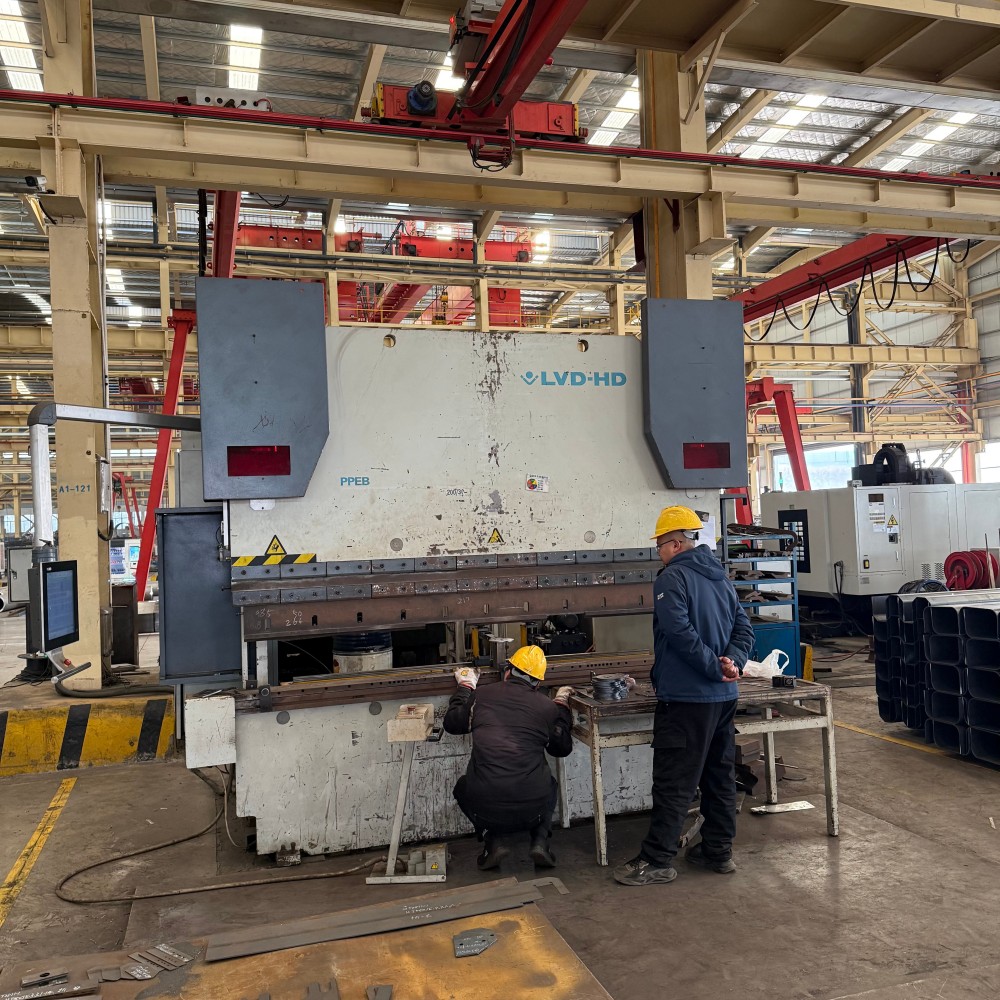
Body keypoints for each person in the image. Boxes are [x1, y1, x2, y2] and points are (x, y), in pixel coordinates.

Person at [614, 505, 755, 887]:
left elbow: (679, 633)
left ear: (675, 544)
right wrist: (733, 666)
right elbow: (744, 628)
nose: (657, 553)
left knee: (674, 781)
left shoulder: (671, 578)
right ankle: (717, 852)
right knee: (718, 777)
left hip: (687, 700)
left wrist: (713, 667)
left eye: (659, 546)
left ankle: (657, 860)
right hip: (724, 699)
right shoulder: (720, 577)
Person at [444, 644, 575, 870]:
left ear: (507, 671)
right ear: (538, 682)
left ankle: (493, 841)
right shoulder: (546, 707)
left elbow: (453, 724)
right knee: (549, 783)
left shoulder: (481, 695)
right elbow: (560, 748)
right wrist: (561, 707)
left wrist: (465, 687)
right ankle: (541, 841)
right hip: (533, 807)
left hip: (485, 805)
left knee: (462, 787)